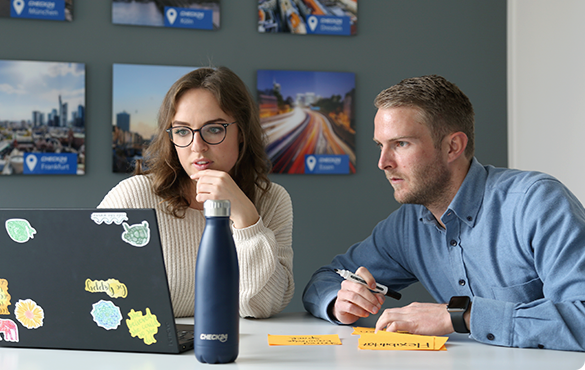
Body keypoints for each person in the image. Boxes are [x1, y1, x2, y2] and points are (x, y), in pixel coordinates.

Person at [302, 75, 585, 351]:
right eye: (380, 145)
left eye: (400, 144)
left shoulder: (536, 202)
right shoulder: (407, 226)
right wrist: (340, 302)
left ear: (453, 147)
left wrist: (461, 315)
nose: (383, 163)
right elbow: (325, 278)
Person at [99, 67, 294, 319]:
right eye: (182, 131)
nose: (197, 146)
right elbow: (84, 286)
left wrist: (247, 221)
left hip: (235, 348)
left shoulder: (272, 200)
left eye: (213, 129)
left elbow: (260, 307)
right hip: (149, 347)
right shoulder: (133, 197)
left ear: (242, 134)